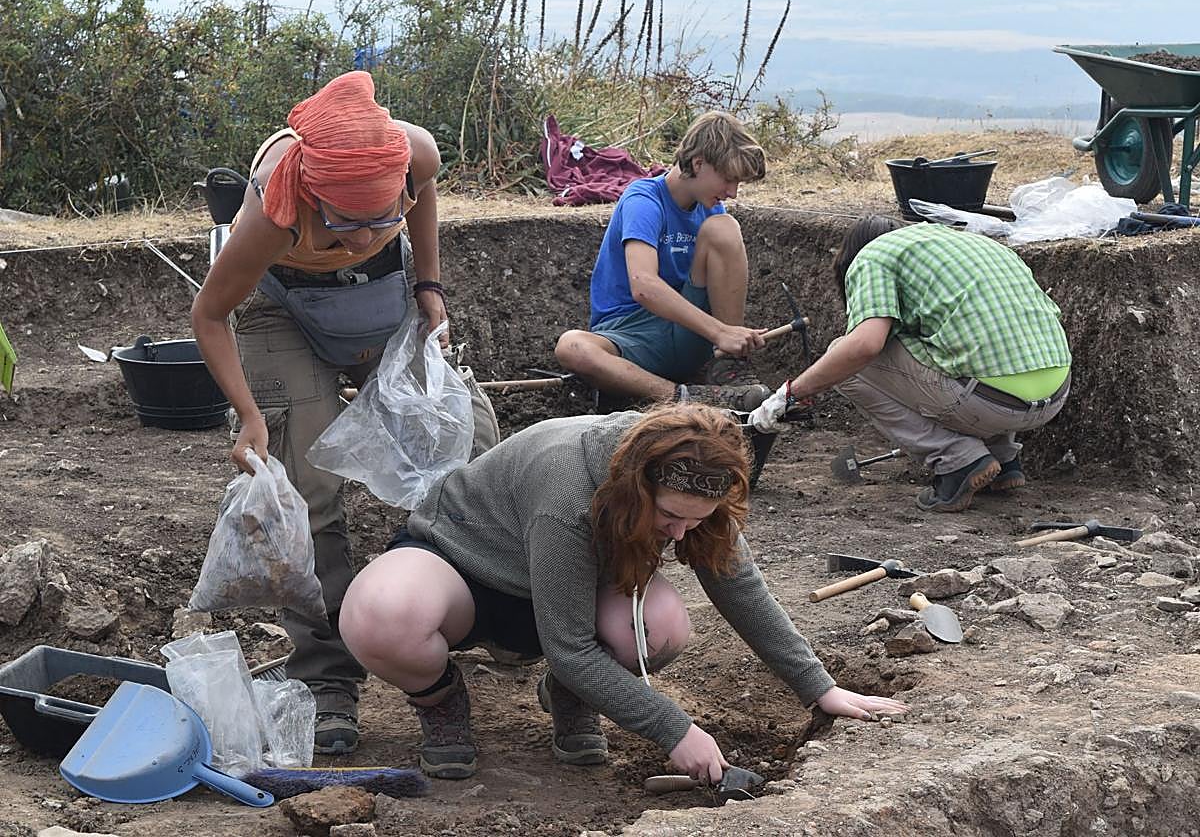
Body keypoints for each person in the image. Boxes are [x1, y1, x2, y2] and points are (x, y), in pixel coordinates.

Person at [340, 402, 907, 781]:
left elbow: (740, 586)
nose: (680, 534)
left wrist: (819, 688)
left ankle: (572, 695)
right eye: (669, 519)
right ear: (638, 488)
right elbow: (568, 643)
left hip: (569, 582)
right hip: (464, 569)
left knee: (658, 626)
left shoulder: (696, 474)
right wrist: (675, 730)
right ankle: (440, 698)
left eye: (696, 521)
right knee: (382, 615)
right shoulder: (569, 493)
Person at [191, 71, 452, 756]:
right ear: (310, 197)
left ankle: (464, 621)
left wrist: (427, 284)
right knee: (308, 492)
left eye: (379, 220)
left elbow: (422, 199)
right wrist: (249, 415)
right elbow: (210, 314)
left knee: (459, 453)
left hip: (379, 297)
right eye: (343, 223)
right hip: (281, 308)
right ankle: (328, 675)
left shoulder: (413, 153)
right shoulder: (274, 207)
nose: (363, 236)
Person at [749, 216, 1072, 512]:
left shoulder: (874, 257)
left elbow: (863, 346)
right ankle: (1003, 459)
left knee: (845, 360)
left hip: (987, 402)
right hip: (1054, 395)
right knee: (968, 346)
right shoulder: (978, 244)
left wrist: (791, 393)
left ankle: (957, 459)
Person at [554, 112, 773, 411]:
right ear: (698, 163)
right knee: (572, 346)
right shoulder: (644, 200)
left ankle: (728, 368)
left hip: (689, 333)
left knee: (725, 227)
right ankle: (681, 397)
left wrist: (725, 337)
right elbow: (643, 286)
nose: (733, 192)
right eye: (728, 179)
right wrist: (719, 331)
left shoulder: (712, 210)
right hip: (631, 334)